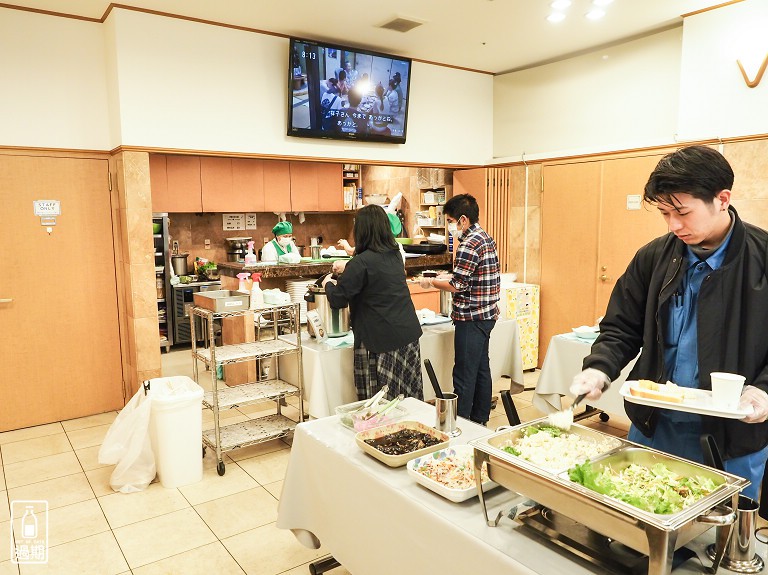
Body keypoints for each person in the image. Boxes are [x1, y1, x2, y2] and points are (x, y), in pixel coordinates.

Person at [570, 145, 768, 500]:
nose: (674, 225)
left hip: (734, 434)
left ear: (722, 199)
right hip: (656, 424)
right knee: (646, 518)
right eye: (664, 213)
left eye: (682, 212)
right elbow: (621, 326)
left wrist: (764, 390)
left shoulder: (762, 258)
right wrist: (600, 367)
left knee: (720, 542)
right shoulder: (653, 257)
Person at [323, 205, 423, 401]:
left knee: (380, 405)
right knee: (408, 400)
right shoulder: (394, 255)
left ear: (362, 230)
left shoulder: (360, 263)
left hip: (379, 342)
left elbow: (338, 299)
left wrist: (328, 284)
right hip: (408, 336)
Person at [421, 194, 500, 424]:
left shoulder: (468, 243)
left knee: (465, 374)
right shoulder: (484, 237)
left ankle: (462, 423)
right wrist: (448, 277)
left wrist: (432, 282)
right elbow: (469, 276)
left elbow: (457, 285)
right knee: (481, 369)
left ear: (463, 220)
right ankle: (480, 420)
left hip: (472, 318)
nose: (450, 226)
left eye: (450, 221)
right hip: (487, 315)